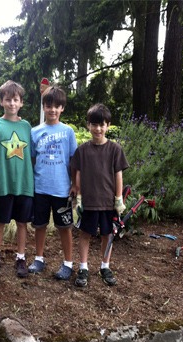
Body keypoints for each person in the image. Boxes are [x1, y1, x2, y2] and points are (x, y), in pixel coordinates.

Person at [70, 103, 129, 287]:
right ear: (88, 125)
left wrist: (118, 199)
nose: (98, 129)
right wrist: (78, 196)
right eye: (94, 124)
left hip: (108, 203)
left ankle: (105, 266)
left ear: (108, 126)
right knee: (85, 234)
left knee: (107, 235)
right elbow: (78, 173)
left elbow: (118, 175)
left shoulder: (115, 149)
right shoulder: (82, 150)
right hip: (88, 202)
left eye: (102, 124)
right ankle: (83, 267)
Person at [29, 86, 77, 280]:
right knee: (39, 225)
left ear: (62, 108)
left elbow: (73, 160)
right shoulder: (35, 132)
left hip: (61, 189)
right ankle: (39, 258)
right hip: (40, 188)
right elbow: (33, 159)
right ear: (44, 107)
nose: (53, 110)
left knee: (64, 227)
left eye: (57, 106)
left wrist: (74, 184)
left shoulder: (68, 132)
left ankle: (68, 263)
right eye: (49, 105)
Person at [0, 80, 34, 278]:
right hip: (4, 183)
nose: (12, 104)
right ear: (2, 101)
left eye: (15, 100)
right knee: (0, 222)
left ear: (21, 103)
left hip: (24, 184)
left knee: (22, 222)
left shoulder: (26, 126)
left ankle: (20, 257)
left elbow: (33, 155)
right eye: (8, 100)